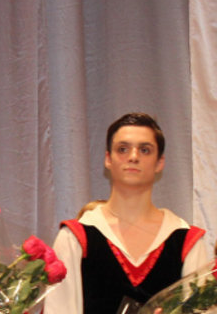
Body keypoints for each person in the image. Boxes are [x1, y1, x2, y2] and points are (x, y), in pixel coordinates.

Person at [44, 113, 210, 314]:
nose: (133, 157)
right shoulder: (75, 238)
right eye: (123, 149)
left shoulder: (186, 242)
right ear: (108, 159)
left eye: (145, 150)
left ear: (160, 162)